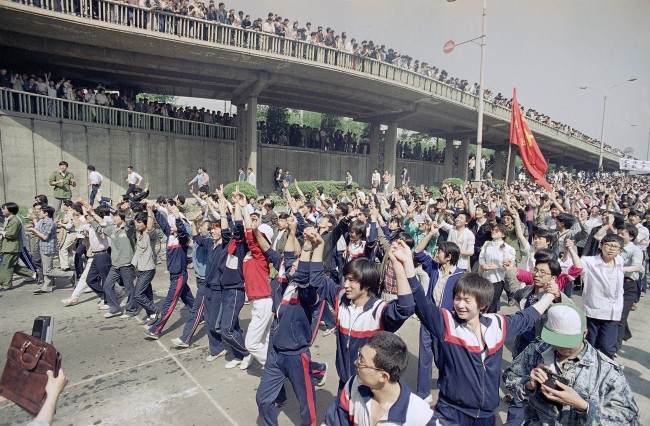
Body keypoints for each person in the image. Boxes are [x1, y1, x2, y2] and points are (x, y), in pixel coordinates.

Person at [405, 241, 559, 425]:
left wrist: (551, 296)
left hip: (486, 416)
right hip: (452, 412)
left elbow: (527, 317)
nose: (460, 304)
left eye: (467, 300)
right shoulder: (446, 323)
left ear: (483, 305)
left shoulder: (497, 325)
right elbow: (422, 304)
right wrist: (407, 266)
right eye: (457, 298)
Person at [502, 304, 640, 425]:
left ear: (584, 333)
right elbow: (509, 377)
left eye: (567, 341)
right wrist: (528, 385)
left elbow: (629, 418)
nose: (560, 346)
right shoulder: (537, 350)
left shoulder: (606, 371)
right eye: (556, 339)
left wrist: (584, 407)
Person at [325, 332, 439, 426]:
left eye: (362, 361)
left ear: (383, 377)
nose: (356, 363)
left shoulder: (421, 417)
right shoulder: (353, 386)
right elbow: (335, 421)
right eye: (359, 355)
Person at [145, 200, 195, 339]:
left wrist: (177, 216)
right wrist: (155, 210)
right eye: (172, 222)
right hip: (174, 274)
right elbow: (163, 224)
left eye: (174, 223)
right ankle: (201, 314)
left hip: (179, 274)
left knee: (169, 302)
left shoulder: (182, 238)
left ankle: (156, 329)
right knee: (187, 297)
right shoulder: (170, 236)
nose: (171, 225)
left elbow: (183, 231)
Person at [580, 233, 625, 358]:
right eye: (608, 245)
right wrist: (571, 251)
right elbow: (577, 266)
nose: (611, 249)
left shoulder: (620, 261)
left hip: (612, 312)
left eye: (615, 247)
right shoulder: (589, 262)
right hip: (593, 310)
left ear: (619, 250)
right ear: (601, 246)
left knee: (607, 347)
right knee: (590, 344)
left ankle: (607, 370)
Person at [478, 223, 516, 313]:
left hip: (497, 280)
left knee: (491, 305)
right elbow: (481, 257)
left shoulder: (508, 248)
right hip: (485, 278)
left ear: (503, 234)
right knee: (482, 303)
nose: (493, 231)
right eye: (492, 229)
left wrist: (497, 266)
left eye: (496, 230)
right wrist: (483, 265)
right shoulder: (487, 244)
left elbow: (509, 265)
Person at [617, 223, 643, 348]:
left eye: (623, 234)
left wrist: (620, 269)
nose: (619, 235)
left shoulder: (635, 250)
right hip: (613, 283)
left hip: (628, 285)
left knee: (621, 316)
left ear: (631, 237)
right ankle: (624, 334)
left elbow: (638, 267)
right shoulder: (615, 247)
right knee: (613, 313)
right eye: (619, 233)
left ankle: (615, 346)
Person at [0, 202, 36, 289]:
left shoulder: (15, 220)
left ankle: (6, 284)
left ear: (10, 210)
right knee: (14, 266)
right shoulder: (9, 219)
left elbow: (12, 234)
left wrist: (1, 232)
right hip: (8, 247)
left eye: (4, 209)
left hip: (12, 248)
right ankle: (35, 274)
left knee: (6, 266)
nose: (2, 211)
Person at [26, 205, 58, 294]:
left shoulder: (49, 223)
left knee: (48, 270)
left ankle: (70, 274)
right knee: (46, 269)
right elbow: (39, 232)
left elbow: (44, 237)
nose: (38, 213)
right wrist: (33, 230)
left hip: (48, 248)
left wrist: (33, 230)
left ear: (46, 213)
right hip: (43, 247)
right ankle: (47, 287)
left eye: (40, 211)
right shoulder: (44, 221)